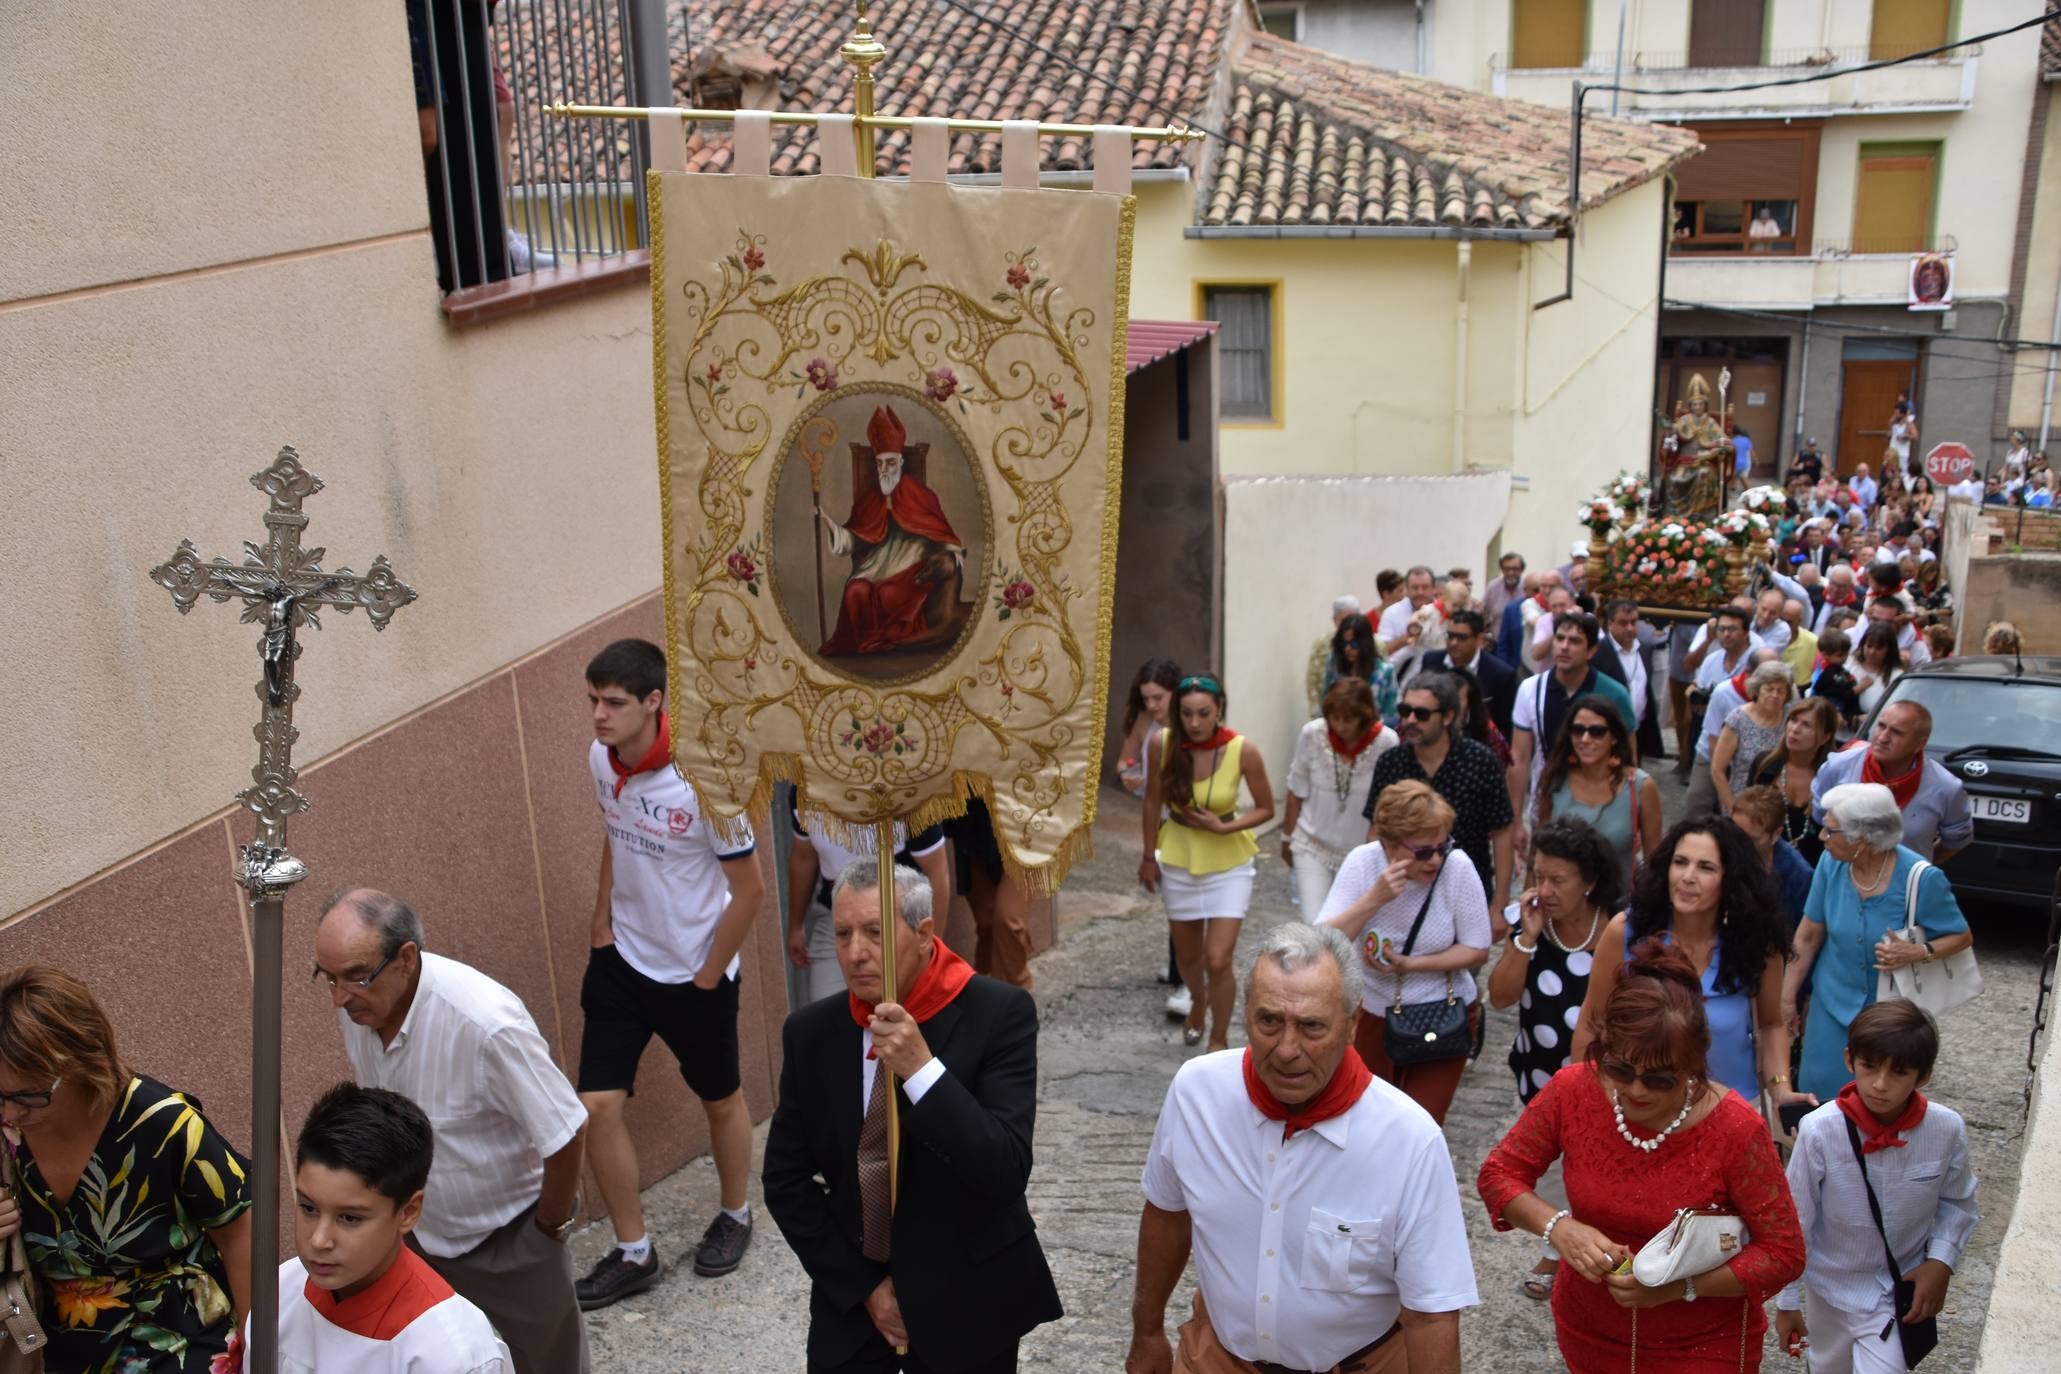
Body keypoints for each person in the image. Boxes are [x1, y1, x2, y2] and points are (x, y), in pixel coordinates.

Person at [1125, 924, 1478, 1374]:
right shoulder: (1197, 1094)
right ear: (1245, 1012)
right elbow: (1167, 1215)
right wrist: (1147, 1331)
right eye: (1269, 1021)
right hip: (1218, 1359)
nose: (1287, 1049)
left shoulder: (1409, 1140)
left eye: (1312, 1027)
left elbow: (1432, 1314)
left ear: (1352, 1024)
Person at [764, 859, 1059, 1372]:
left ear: (924, 934)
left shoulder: (998, 1014)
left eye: (875, 932)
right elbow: (785, 1180)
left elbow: (1005, 1169)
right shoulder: (811, 1033)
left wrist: (922, 1071)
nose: (855, 953)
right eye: (842, 933)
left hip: (968, 1295)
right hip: (855, 1301)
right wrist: (865, 1289)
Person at [1477, 942, 1806, 1373]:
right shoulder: (1573, 1091)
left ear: (1694, 1066)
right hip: (1591, 1329)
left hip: (1704, 1342)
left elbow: (1783, 1252)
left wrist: (1679, 1288)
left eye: (1659, 1079)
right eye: (1619, 1070)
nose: (1635, 1090)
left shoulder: (1736, 1129)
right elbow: (1498, 1174)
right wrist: (1560, 1228)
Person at [314, 889, 590, 1370]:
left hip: (510, 1238)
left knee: (549, 1363)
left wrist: (547, 1230)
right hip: (418, 1238)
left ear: (405, 959)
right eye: (329, 978)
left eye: (355, 977)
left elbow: (564, 1130)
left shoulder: (486, 1024)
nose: (340, 997)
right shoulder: (362, 1006)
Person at [577, 638, 766, 1306]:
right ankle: (634, 1252)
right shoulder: (603, 761)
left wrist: (710, 976)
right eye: (594, 701)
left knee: (719, 1100)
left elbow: (749, 890)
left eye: (614, 703)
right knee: (595, 1106)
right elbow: (613, 833)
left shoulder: (704, 781)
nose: (599, 715)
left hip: (694, 973)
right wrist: (602, 924)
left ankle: (736, 1212)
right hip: (623, 963)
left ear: (654, 701)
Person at [0, 966, 253, 1373]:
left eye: (31, 1096)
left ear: (81, 1060)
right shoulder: (7, 1135)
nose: (12, 1112)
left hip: (181, 1345)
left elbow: (241, 1231)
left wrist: (261, 1350)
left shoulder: (164, 1123)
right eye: (0, 1096)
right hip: (56, 1355)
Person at [1775, 1002, 1978, 1373]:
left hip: (1896, 1292)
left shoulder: (1946, 1129)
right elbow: (1796, 1217)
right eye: (1870, 1067)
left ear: (1924, 1075)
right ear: (1850, 1060)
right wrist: (1787, 1300)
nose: (1881, 1084)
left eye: (1899, 1073)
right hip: (1830, 1292)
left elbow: (1958, 1202)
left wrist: (1941, 1263)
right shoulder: (1819, 1130)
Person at [263, 1083, 511, 1372]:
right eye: (309, 1208)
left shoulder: (452, 1352)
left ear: (408, 1212)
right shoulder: (280, 1292)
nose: (318, 1240)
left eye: (349, 1218)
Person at [1571, 818, 1803, 1108]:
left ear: (1731, 879)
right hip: (1638, 1106)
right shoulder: (1626, 932)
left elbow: (1771, 1025)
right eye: (1680, 862)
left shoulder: (1757, 943)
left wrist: (1781, 1090)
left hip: (1729, 1111)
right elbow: (1592, 1023)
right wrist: (1586, 1100)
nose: (1688, 876)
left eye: (1705, 867)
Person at [1487, 817, 1621, 1301]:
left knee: (1590, 1164)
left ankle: (1558, 1253)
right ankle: (1572, 1244)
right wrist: (1525, 938)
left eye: (1557, 880)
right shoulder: (1532, 927)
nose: (1544, 889)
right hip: (1539, 1072)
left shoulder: (1618, 927)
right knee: (1556, 1167)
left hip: (1602, 1075)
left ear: (1590, 882)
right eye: (1539, 876)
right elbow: (1499, 997)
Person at [1785, 783, 1974, 1103]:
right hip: (1829, 1006)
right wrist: (1786, 998)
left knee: (1878, 1101)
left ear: (1861, 839)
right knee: (1817, 1099)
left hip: (1890, 1018)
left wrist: (1917, 952)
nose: (1821, 837)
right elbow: (1807, 936)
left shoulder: (1922, 878)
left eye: (1830, 831)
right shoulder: (1831, 865)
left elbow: (1961, 936)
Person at [1317, 781, 1493, 1124]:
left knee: (1420, 1124)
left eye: (1442, 846)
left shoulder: (1456, 868)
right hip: (1371, 1014)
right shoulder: (1363, 863)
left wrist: (1411, 965)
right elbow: (1321, 942)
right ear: (1389, 845)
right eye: (1424, 852)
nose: (1436, 859)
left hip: (1442, 1012)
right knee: (1367, 1122)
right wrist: (1375, 899)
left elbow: (1477, 949)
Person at [1139, 674, 1275, 1051]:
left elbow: (1267, 808)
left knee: (1218, 959)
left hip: (1228, 860)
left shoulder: (1242, 749)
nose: (1195, 723)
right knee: (1187, 957)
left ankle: (1219, 1035)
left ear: (1219, 710)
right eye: (1186, 714)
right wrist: (1148, 856)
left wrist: (1222, 826)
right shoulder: (1162, 743)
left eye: (1203, 713)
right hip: (1179, 855)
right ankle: (1197, 1000)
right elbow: (1151, 801)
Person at [818, 406, 968, 657]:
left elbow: (941, 532)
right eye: (879, 464)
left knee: (889, 593)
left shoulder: (921, 496)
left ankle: (892, 640)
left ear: (901, 462)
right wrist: (830, 524)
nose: (885, 470)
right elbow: (852, 540)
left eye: (890, 463)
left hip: (911, 571)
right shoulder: (868, 501)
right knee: (855, 591)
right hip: (873, 570)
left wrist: (952, 552)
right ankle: (869, 645)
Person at [1362, 673, 1515, 908]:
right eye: (1405, 711)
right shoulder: (1390, 763)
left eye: (1421, 714)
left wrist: (1501, 901)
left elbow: (1503, 831)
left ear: (1447, 717)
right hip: (1405, 892)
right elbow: (1376, 831)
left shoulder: (1481, 761)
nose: (1410, 720)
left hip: (1464, 889)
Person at [788, 804, 952, 1005]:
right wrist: (796, 925)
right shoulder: (803, 788)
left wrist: (930, 947)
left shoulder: (907, 786)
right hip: (836, 918)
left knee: (906, 1010)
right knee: (827, 1016)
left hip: (898, 919)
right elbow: (803, 857)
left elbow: (937, 872)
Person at [1281, 678, 1398, 920]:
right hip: (1313, 844)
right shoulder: (1313, 733)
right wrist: (1287, 837)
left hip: (1360, 851)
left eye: (1349, 719)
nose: (1340, 726)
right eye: (1334, 718)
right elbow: (1296, 789)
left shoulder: (1387, 741)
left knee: (1351, 926)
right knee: (1316, 924)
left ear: (1364, 716)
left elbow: (1389, 803)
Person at [1509, 612, 1638, 831]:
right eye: (1559, 638)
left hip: (1600, 808)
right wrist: (1515, 821)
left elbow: (1629, 760)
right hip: (1547, 804)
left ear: (1591, 651)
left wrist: (1631, 821)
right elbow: (1519, 759)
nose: (1564, 647)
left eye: (1575, 641)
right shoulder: (1531, 689)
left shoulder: (1615, 694)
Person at [1812, 700, 1972, 863]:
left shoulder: (1945, 787)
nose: (1883, 737)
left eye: (1896, 732)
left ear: (1920, 744)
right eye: (1881, 726)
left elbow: (1955, 840)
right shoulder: (1838, 767)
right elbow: (1820, 818)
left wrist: (1915, 868)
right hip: (1843, 878)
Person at [1534, 697, 1662, 892]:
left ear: (1614, 737)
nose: (1585, 739)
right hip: (1561, 907)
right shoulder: (1554, 780)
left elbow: (1655, 863)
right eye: (1578, 730)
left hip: (1618, 908)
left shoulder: (1641, 787)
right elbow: (1538, 850)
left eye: (1597, 732)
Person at [1744, 696, 1838, 867]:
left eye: (1807, 725)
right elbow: (1747, 818)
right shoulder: (1765, 765)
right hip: (1758, 867)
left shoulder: (1832, 779)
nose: (1795, 729)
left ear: (1824, 737)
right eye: (1793, 720)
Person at [1728, 786, 1817, 933]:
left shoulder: (1799, 876)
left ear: (1776, 834)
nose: (1737, 843)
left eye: (1751, 840)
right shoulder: (1716, 848)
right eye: (1734, 832)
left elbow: (1800, 933)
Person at [1710, 661, 1794, 814]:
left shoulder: (1791, 718)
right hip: (1741, 802)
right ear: (1757, 690)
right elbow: (1717, 770)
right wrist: (1732, 808)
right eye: (1769, 689)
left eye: (1780, 691)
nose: (1774, 695)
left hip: (1778, 805)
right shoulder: (1738, 719)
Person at [1419, 607, 1515, 739]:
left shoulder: (1501, 674)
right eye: (1450, 636)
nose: (1453, 643)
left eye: (1461, 638)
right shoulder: (1431, 661)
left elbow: (1505, 725)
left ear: (1479, 640)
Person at [1600, 598, 1664, 760]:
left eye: (1633, 622)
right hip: (1607, 734)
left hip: (1638, 730)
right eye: (1623, 623)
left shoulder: (1642, 649)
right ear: (1610, 623)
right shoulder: (1599, 652)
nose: (1629, 628)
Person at [1321, 611, 1398, 725]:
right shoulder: (1334, 666)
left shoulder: (1385, 672)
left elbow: (1391, 716)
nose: (1348, 649)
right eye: (1344, 643)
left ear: (1365, 643)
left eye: (1354, 644)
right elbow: (1325, 705)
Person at [1119, 658, 1183, 797]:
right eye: (1146, 699)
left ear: (1176, 692)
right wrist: (1127, 775)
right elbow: (1124, 760)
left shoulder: (1191, 722)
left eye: (1158, 698)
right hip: (1154, 808)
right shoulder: (1144, 720)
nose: (1151, 705)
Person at [1305, 595, 1361, 717]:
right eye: (1342, 620)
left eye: (1350, 619)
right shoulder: (1321, 644)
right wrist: (1318, 715)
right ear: (1334, 620)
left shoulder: (1374, 643)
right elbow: (1312, 682)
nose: (1347, 625)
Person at [1809, 628, 1864, 732]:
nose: (1844, 658)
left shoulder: (1839, 669)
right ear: (1825, 654)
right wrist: (1861, 687)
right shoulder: (1828, 673)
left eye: (1846, 654)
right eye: (1840, 655)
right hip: (1830, 706)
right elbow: (1844, 693)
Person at [1482, 550, 1527, 630]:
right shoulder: (1492, 587)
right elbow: (1484, 614)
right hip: (1496, 640)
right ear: (1502, 570)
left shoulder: (1528, 587)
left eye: (1515, 569)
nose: (1510, 573)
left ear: (1521, 570)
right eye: (1507, 569)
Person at [1781, 599, 1819, 688]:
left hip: (1801, 690)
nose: (1784, 625)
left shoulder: (1813, 641)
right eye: (1781, 620)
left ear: (1799, 621)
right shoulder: (1768, 637)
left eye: (1789, 622)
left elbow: (1817, 670)